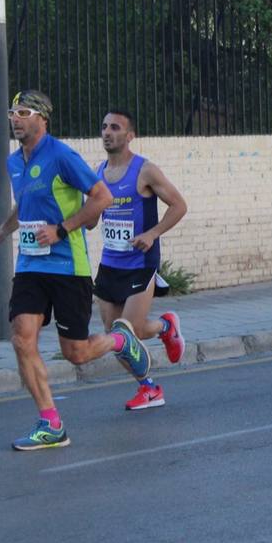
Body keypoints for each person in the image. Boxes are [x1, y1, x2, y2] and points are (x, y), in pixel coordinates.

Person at [0, 90, 151, 451]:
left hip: (67, 267)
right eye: (12, 112)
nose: (15, 118)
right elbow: (24, 202)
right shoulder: (15, 162)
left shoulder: (61, 155)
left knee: (75, 353)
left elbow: (102, 197)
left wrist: (62, 229)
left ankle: (121, 340)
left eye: (23, 112)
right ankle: (50, 422)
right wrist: (3, 230)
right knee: (21, 336)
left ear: (42, 118)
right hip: (30, 264)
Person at [94, 110, 189, 411]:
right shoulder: (98, 173)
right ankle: (149, 386)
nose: (107, 132)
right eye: (105, 127)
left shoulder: (145, 171)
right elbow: (91, 219)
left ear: (130, 135)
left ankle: (164, 328)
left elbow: (179, 205)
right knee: (116, 337)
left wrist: (152, 233)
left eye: (115, 127)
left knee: (128, 331)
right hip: (110, 263)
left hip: (140, 262)